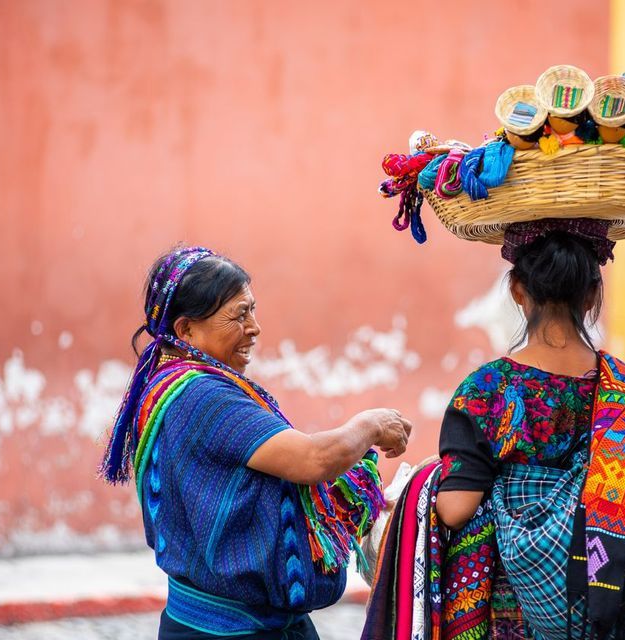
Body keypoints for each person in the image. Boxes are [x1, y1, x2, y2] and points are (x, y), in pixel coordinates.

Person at [432, 219, 625, 639]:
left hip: (537, 611)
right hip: (619, 592)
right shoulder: (624, 389)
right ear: (593, 295)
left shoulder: (488, 392)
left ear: (517, 291)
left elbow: (456, 510)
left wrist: (421, 489)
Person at [99, 246, 413, 640]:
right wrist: (371, 424)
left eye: (252, 310)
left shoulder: (169, 388)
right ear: (186, 330)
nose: (255, 327)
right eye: (239, 314)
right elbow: (313, 459)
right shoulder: (201, 396)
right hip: (232, 631)